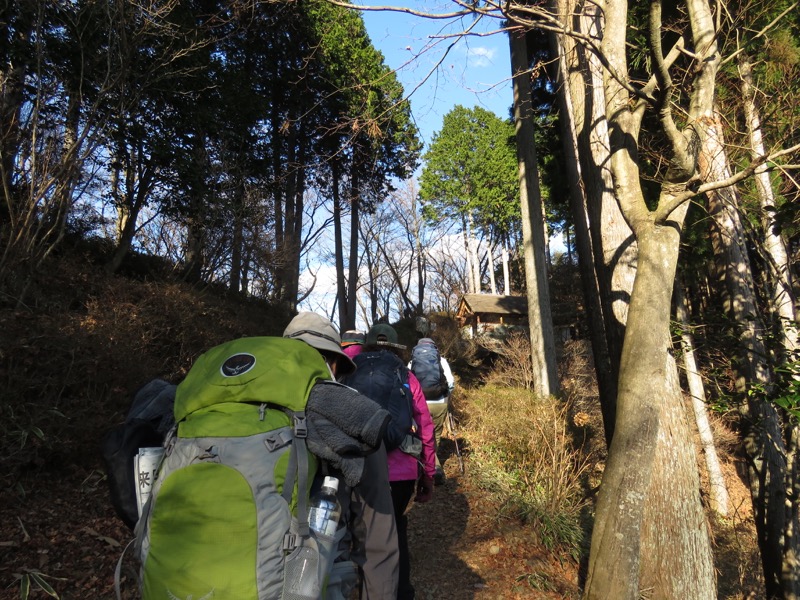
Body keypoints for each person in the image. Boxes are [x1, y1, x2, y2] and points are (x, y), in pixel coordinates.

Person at [283, 313, 400, 600]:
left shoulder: (227, 408)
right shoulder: (350, 418)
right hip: (311, 582)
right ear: (334, 364)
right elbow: (378, 543)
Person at [352, 324, 436, 600]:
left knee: (360, 529)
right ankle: (401, 592)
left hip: (358, 465)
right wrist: (428, 475)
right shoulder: (406, 375)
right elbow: (425, 425)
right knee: (395, 530)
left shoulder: (349, 370)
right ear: (396, 348)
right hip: (400, 473)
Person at [409, 338, 455, 486]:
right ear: (434, 348)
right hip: (440, 402)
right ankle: (434, 467)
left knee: (422, 434)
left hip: (420, 403)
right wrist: (447, 396)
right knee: (435, 434)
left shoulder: (412, 362)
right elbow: (451, 382)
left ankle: (428, 466)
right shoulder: (441, 360)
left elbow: (406, 383)